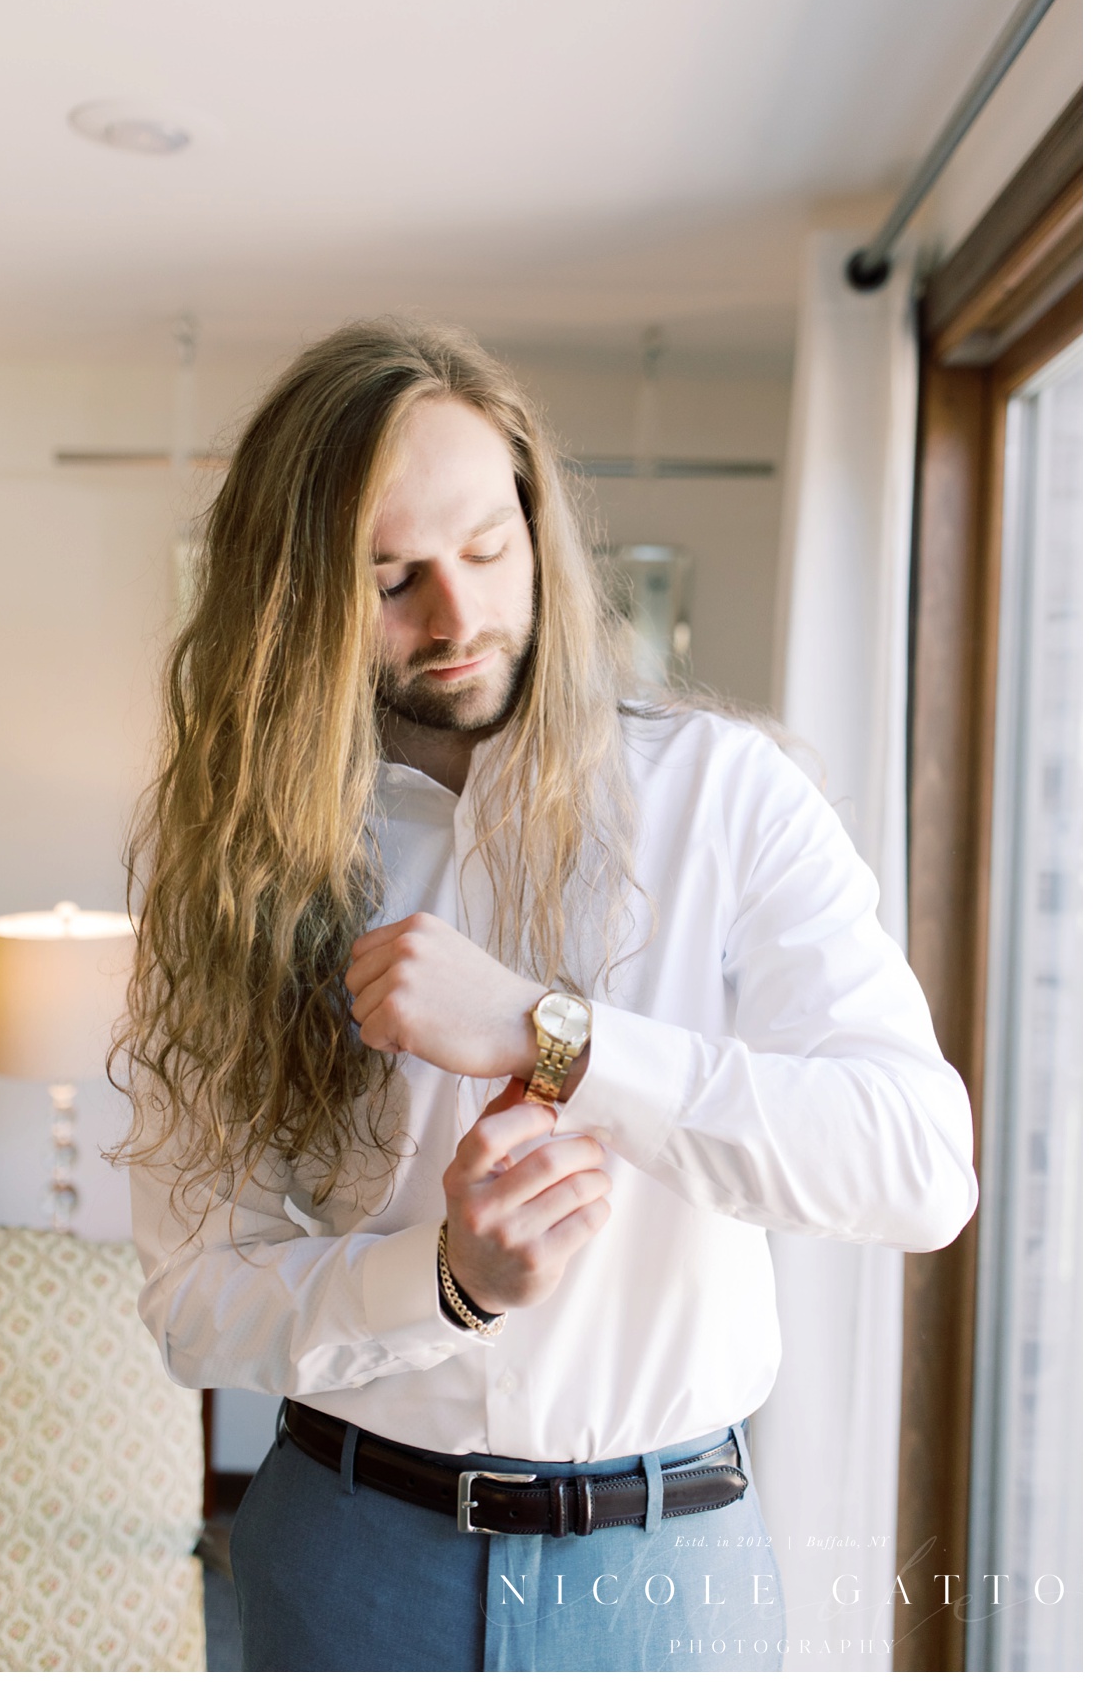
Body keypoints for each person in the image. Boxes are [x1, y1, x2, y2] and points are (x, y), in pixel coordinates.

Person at [114, 321, 978, 1671]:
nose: (456, 618)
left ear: (538, 527)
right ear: (295, 601)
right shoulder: (233, 867)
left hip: (671, 1576)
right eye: (392, 577)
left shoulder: (726, 796)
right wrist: (446, 1281)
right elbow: (193, 1300)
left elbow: (919, 1169)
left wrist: (551, 1035)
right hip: (352, 1556)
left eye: (486, 549)